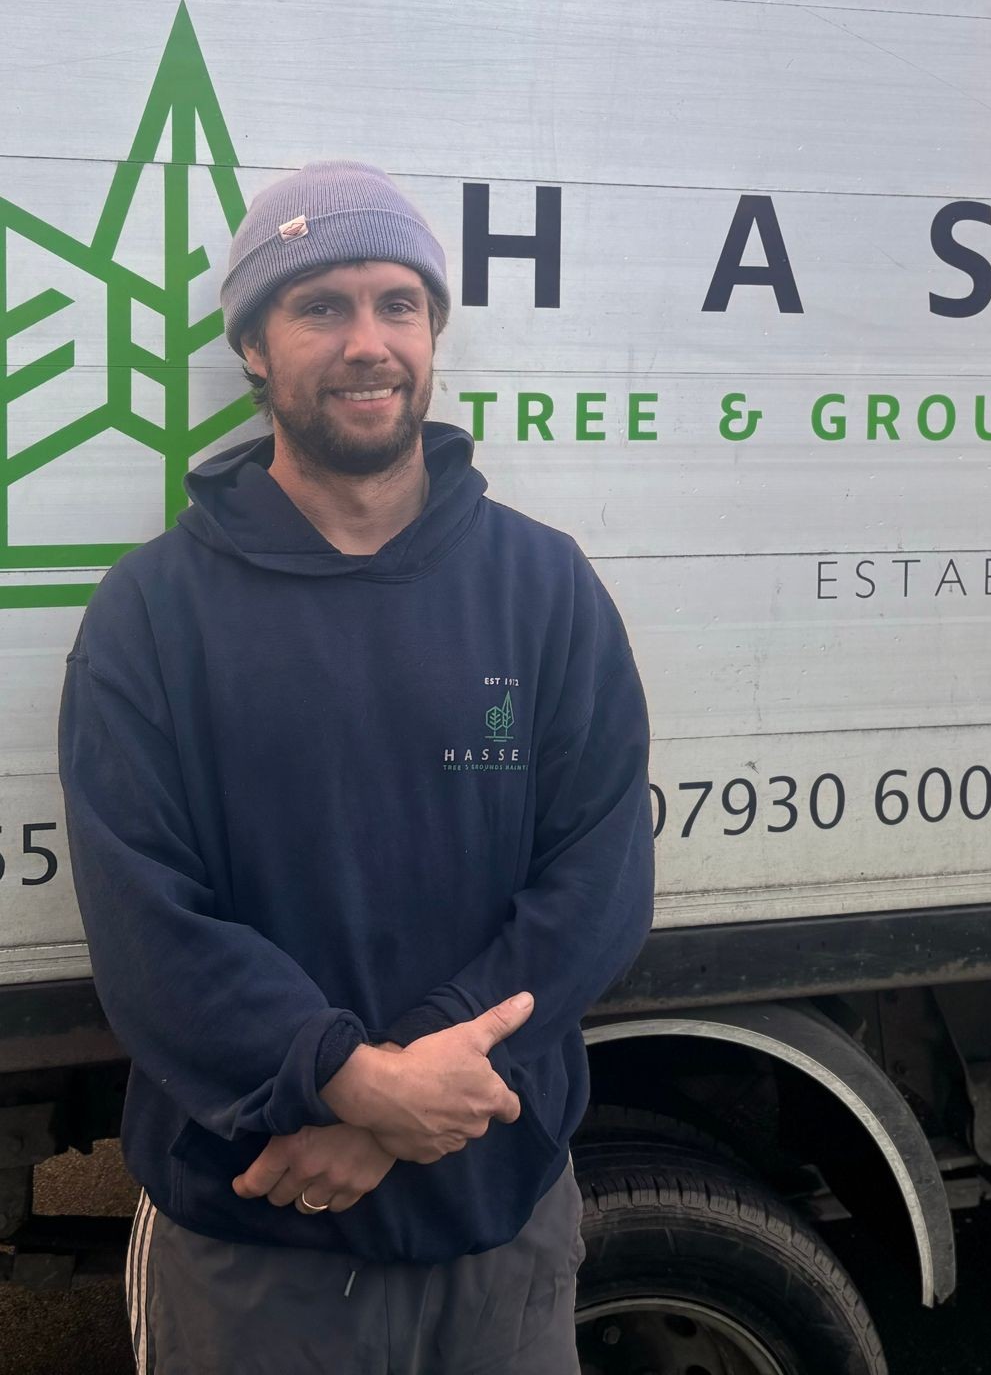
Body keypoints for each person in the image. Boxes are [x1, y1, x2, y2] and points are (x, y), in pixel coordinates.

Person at [58, 160, 655, 1374]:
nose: (365, 341)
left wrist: (398, 1101)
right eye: (318, 307)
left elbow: (596, 880)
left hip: (493, 1227)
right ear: (254, 352)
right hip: (259, 1241)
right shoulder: (152, 614)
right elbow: (146, 924)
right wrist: (340, 1076)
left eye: (397, 304)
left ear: (434, 335)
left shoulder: (542, 589)